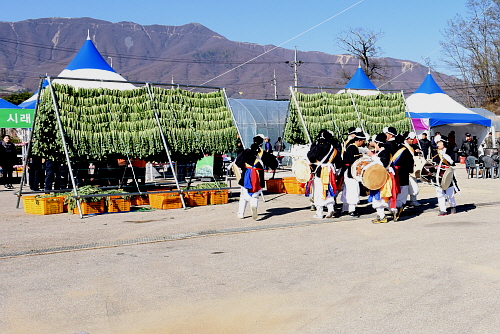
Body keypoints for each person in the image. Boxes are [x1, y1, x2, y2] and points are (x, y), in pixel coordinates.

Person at [235, 135, 278, 220]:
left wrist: (244, 166)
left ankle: (241, 213)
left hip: (247, 174)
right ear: (261, 143)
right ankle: (253, 206)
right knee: (255, 195)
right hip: (258, 175)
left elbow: (238, 162)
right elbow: (274, 164)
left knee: (243, 196)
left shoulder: (246, 151)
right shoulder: (263, 153)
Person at [306, 129, 342, 219]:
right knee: (328, 189)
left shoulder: (318, 146)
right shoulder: (332, 148)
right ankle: (330, 208)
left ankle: (319, 212)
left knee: (318, 190)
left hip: (319, 170)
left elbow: (310, 156)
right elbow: (338, 160)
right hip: (329, 170)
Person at [385, 127, 414, 221]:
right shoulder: (404, 149)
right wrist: (409, 170)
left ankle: (393, 208)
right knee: (402, 190)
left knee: (392, 190)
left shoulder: (386, 145)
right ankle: (398, 207)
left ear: (390, 135)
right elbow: (410, 161)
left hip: (391, 173)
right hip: (403, 173)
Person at [366, 133, 392, 223]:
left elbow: (382, 164)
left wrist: (372, 156)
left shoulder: (384, 152)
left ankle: (383, 216)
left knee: (380, 198)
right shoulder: (381, 152)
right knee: (381, 198)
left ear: (378, 143)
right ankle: (391, 211)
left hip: (382, 178)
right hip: (379, 177)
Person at [340, 131, 365, 217]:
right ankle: (352, 210)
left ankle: (345, 208)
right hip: (351, 171)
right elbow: (354, 162)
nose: (363, 143)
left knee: (347, 189)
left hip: (347, 170)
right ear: (359, 140)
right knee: (353, 189)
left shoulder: (350, 147)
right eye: (363, 141)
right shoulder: (353, 148)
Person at [432, 136, 458, 216]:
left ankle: (453, 206)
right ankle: (443, 209)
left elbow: (452, 163)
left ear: (444, 143)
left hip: (447, 174)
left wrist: (445, 156)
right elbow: (434, 163)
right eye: (437, 143)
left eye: (440, 142)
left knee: (450, 192)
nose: (438, 144)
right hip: (438, 175)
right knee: (440, 193)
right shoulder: (435, 152)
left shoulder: (449, 151)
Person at [403, 132, 421, 207]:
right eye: (410, 139)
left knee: (413, 185)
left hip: (412, 168)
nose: (412, 141)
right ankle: (401, 203)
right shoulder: (403, 147)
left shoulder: (413, 146)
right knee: (404, 187)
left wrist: (417, 152)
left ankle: (413, 200)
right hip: (405, 169)